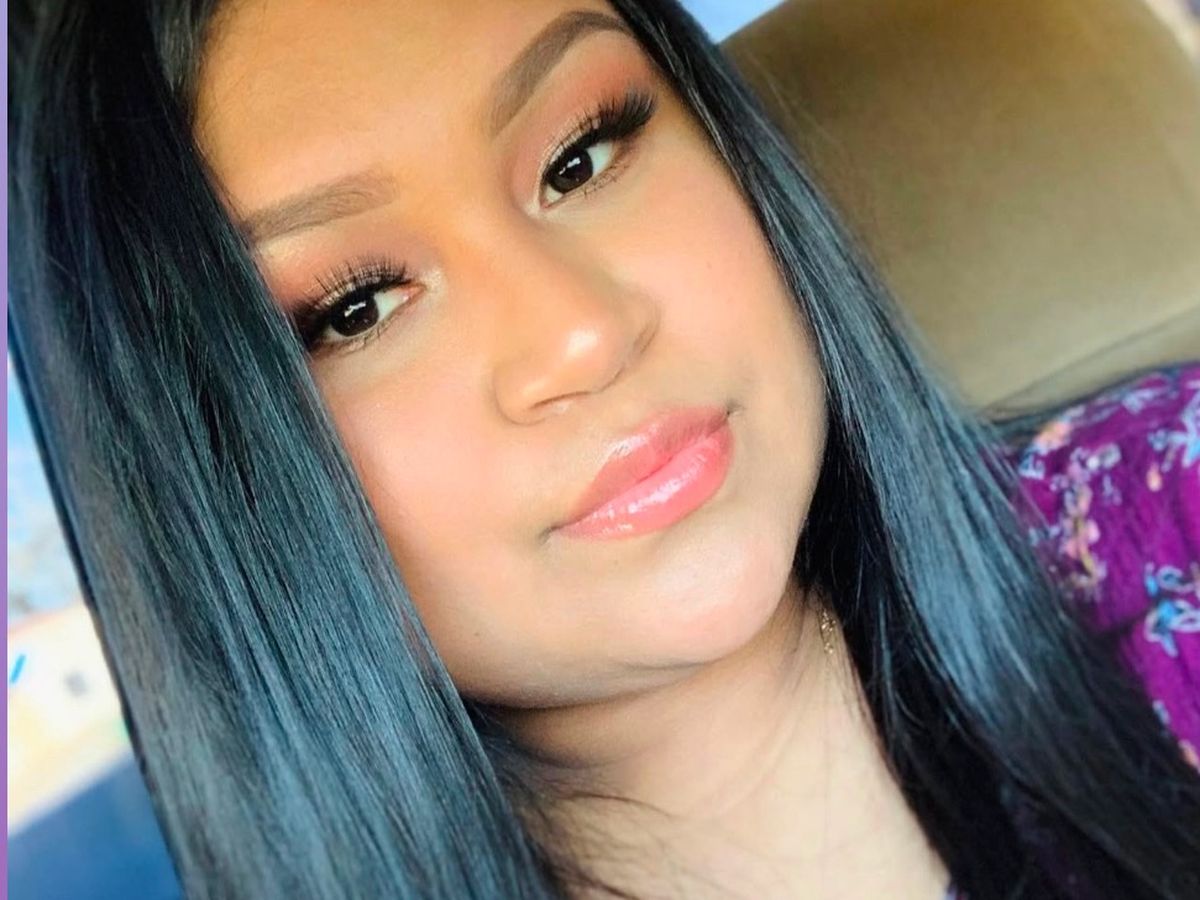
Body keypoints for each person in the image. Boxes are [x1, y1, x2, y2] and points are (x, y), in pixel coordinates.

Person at [6, 1, 1199, 898]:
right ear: (216, 498)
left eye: (581, 156)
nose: (581, 330)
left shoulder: (1163, 514)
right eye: (357, 308)